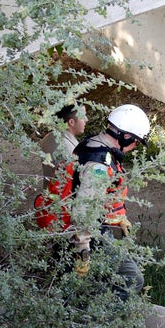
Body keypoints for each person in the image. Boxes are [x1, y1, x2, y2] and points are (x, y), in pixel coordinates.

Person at [71, 104, 149, 299]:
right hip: (88, 235)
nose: (134, 148)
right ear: (126, 136)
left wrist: (118, 217)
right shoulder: (99, 165)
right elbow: (84, 211)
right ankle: (95, 322)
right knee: (132, 279)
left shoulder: (93, 144)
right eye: (136, 142)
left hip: (84, 229)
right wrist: (82, 254)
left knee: (98, 281)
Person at [39, 104, 87, 187]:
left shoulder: (50, 136)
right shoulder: (66, 148)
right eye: (83, 116)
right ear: (71, 122)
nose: (86, 119)